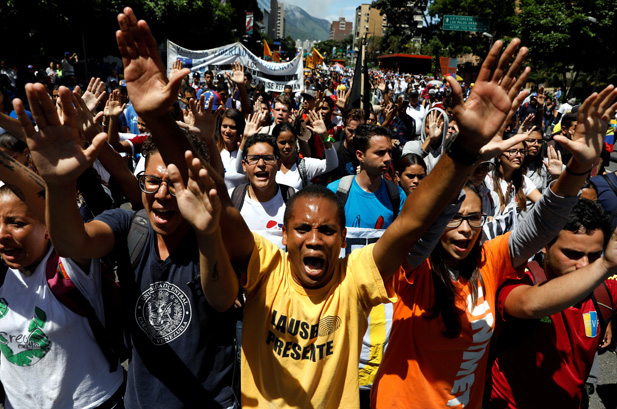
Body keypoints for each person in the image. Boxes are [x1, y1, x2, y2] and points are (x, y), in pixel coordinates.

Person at [167, 37, 534, 408]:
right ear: (283, 234)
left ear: (343, 239)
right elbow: (210, 195)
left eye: (326, 230)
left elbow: (410, 223)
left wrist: (465, 148)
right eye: (302, 229)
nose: (314, 239)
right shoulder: (265, 266)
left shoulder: (355, 278)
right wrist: (156, 117)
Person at [15, 11, 240, 408]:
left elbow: (222, 301)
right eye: (152, 182)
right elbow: (71, 244)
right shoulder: (130, 227)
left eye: (175, 185)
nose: (162, 194)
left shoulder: (220, 232)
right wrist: (59, 183)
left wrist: (155, 116)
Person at [370, 84, 617, 409]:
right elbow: (417, 224)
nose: (464, 230)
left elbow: (543, 222)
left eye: (474, 219)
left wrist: (578, 168)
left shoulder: (489, 259)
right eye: (454, 219)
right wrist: (465, 153)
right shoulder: (414, 269)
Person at [485, 199, 617, 409]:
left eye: (594, 255)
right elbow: (528, 305)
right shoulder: (520, 279)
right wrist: (604, 265)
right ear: (545, 246)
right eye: (572, 254)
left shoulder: (608, 289)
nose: (584, 265)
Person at [0, 186, 126, 409]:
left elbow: (66, 223)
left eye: (17, 223)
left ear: (49, 227)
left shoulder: (70, 266)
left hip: (93, 402)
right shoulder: (3, 275)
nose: (2, 234)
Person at [327, 124, 407, 229]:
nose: (387, 158)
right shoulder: (336, 192)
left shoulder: (397, 195)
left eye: (389, 152)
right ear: (360, 155)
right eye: (380, 153)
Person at [272, 119, 337, 189]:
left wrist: (325, 136)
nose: (287, 146)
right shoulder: (268, 164)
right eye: (282, 142)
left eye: (291, 142)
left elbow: (332, 164)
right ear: (275, 142)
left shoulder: (305, 165)